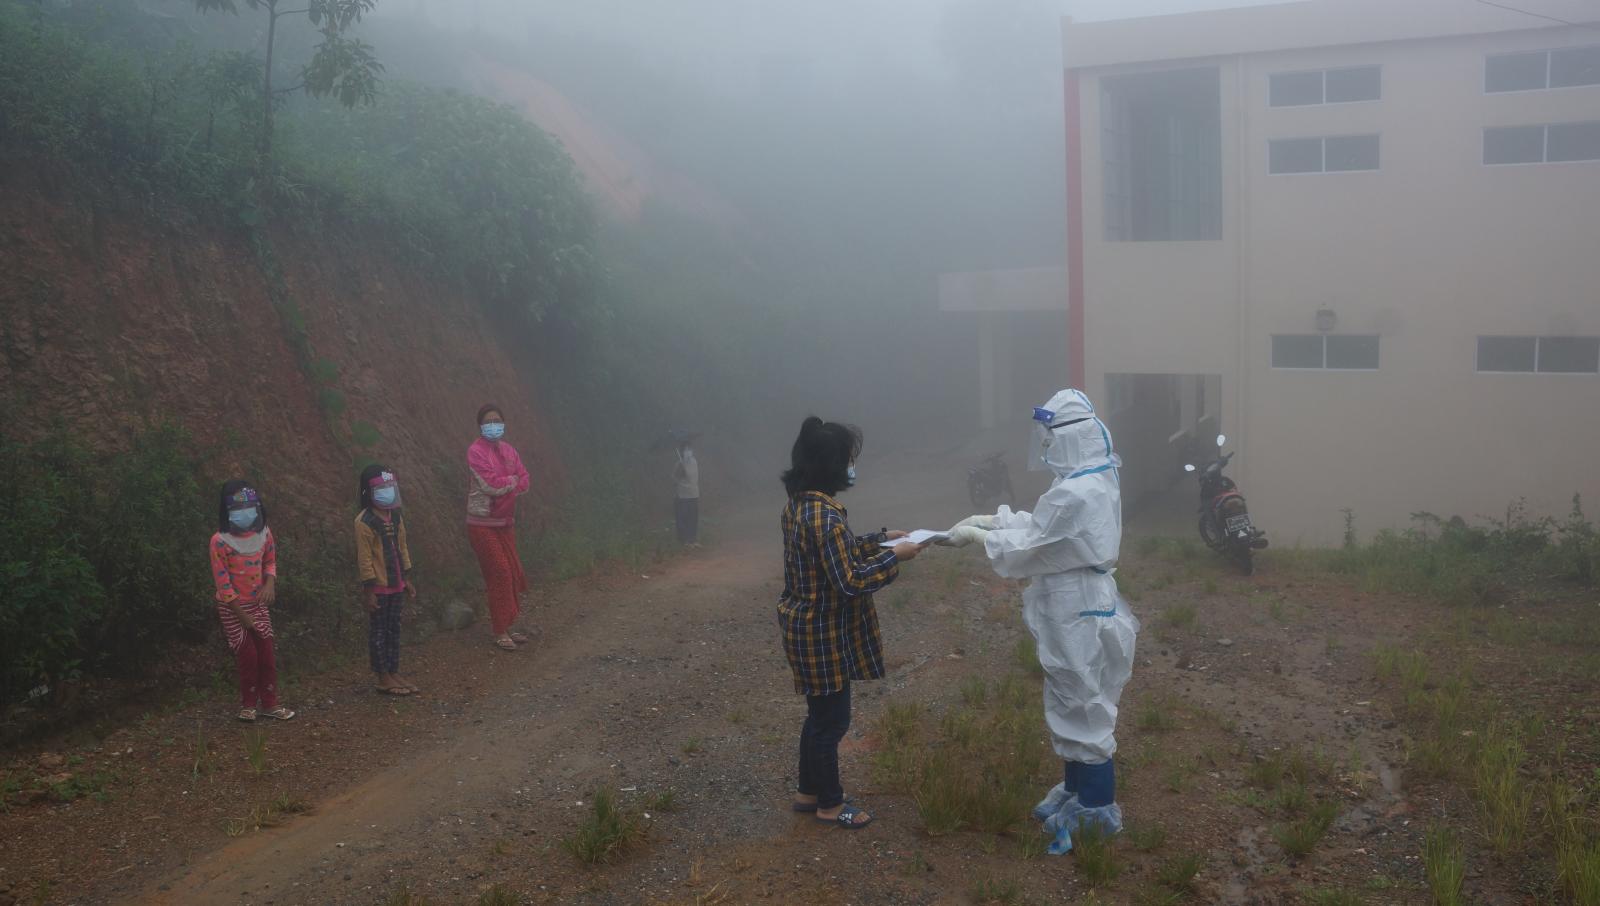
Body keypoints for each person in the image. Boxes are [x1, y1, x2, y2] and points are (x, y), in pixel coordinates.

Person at [941, 389, 1139, 854]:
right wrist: (994, 520)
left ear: (1069, 438)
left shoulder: (1079, 491)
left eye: (1050, 438)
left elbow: (1035, 545)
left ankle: (1095, 807)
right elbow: (1045, 528)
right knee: (1070, 695)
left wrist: (981, 537)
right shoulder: (1087, 479)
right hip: (1073, 599)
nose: (1045, 445)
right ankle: (1075, 790)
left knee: (1083, 701)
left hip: (1076, 604)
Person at [776, 417, 926, 830]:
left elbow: (836, 551)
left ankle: (808, 792)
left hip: (806, 629)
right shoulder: (824, 516)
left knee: (818, 717)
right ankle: (830, 804)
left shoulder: (802, 506)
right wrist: (894, 556)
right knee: (832, 723)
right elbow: (850, 580)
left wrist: (880, 539)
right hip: (823, 634)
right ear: (831, 465)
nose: (851, 467)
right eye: (848, 459)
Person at [209, 480, 295, 723]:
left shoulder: (264, 533)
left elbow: (270, 561)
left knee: (266, 655)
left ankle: (270, 703)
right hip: (233, 608)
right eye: (238, 507)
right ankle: (248, 705)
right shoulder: (219, 541)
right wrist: (241, 615)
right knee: (248, 657)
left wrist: (270, 584)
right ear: (227, 509)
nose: (244, 512)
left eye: (248, 506)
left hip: (258, 605)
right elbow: (223, 582)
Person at [466, 403, 533, 652]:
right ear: (480, 426)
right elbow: (490, 485)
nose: (493, 425)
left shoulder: (509, 450)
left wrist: (510, 482)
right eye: (488, 421)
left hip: (505, 523)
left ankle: (507, 625)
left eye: (497, 420)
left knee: (512, 572)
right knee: (500, 572)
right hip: (481, 524)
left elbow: (525, 480)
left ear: (503, 423)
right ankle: (499, 630)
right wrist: (513, 480)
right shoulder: (475, 452)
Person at [356, 464, 418, 695]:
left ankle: (393, 672)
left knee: (394, 630)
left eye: (390, 486)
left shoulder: (396, 516)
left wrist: (407, 578)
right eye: (381, 488)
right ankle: (382, 676)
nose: (387, 491)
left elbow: (402, 547)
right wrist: (369, 590)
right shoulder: (364, 522)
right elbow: (364, 559)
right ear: (368, 491)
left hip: (397, 585)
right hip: (380, 588)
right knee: (379, 632)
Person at [673, 438, 701, 546]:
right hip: (682, 496)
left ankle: (693, 539)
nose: (688, 451)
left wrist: (685, 470)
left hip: (693, 494)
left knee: (693, 518)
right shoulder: (679, 463)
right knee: (683, 519)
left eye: (689, 449)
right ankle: (683, 541)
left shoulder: (694, 461)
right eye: (686, 449)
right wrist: (680, 471)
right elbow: (674, 478)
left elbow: (692, 476)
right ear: (682, 451)